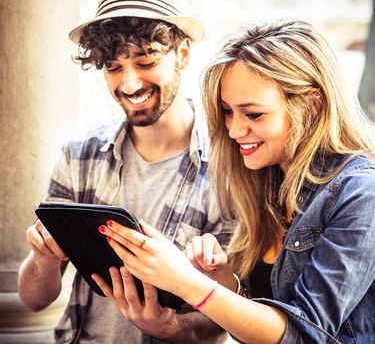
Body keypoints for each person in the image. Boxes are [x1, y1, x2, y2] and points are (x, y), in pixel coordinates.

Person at [94, 19, 375, 343]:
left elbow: (304, 334)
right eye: (227, 111)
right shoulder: (266, 181)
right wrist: (226, 281)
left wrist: (188, 282)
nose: (234, 130)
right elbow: (263, 318)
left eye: (253, 114)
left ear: (312, 105)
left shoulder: (361, 193)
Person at [17, 0, 236, 343]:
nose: (129, 84)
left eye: (146, 61)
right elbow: (34, 300)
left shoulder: (232, 169)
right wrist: (44, 259)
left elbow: (235, 312)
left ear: (182, 53)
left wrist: (167, 327)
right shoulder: (79, 155)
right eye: (114, 67)